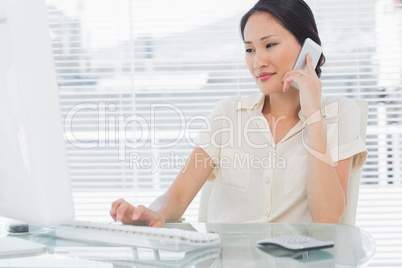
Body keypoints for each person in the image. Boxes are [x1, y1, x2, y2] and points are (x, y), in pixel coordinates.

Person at [110, 0, 367, 227]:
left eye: (270, 45)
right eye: (250, 49)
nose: (258, 62)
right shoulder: (228, 114)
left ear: (308, 49)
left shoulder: (339, 114)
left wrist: (313, 117)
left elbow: (327, 218)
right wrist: (153, 213)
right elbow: (176, 196)